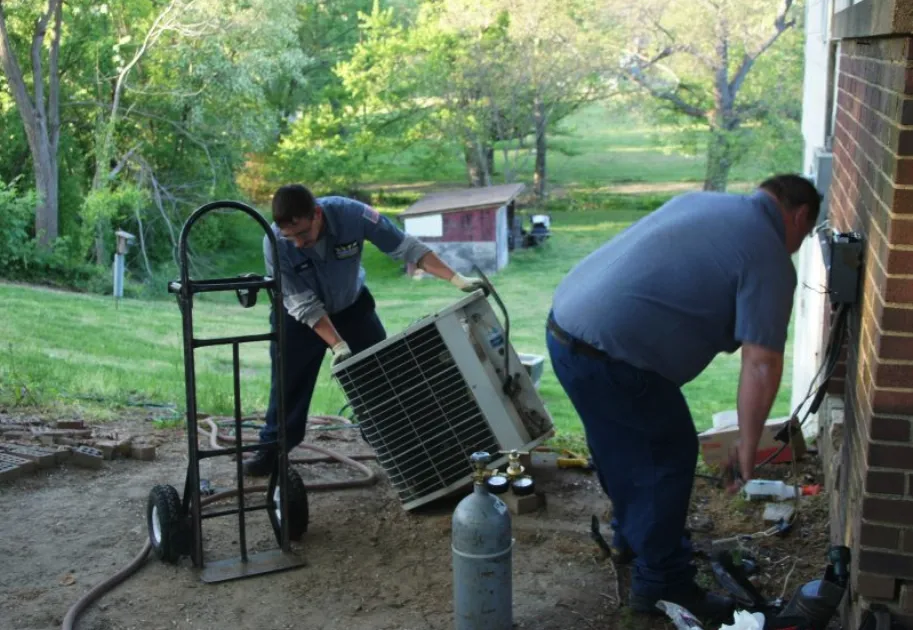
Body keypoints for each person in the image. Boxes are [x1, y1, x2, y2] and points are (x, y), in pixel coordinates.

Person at [545, 174, 821, 620]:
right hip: (614, 355)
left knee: (620, 444)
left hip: (564, 330)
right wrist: (747, 446)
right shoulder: (768, 253)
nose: (795, 248)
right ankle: (663, 584)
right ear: (800, 216)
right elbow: (761, 363)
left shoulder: (704, 203)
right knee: (665, 454)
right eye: (803, 237)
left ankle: (633, 537)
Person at [243, 184, 486, 476]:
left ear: (317, 214)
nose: (297, 244)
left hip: (352, 307)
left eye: (303, 234)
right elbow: (302, 303)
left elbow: (405, 247)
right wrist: (337, 343)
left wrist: (456, 279)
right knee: (287, 386)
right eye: (290, 237)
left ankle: (392, 443)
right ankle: (272, 450)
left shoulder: (353, 215)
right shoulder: (274, 242)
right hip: (298, 318)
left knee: (380, 378)